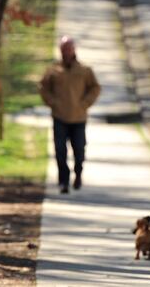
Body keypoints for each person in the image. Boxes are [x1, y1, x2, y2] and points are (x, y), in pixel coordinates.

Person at [39, 36, 101, 194]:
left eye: (69, 48)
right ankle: (63, 181)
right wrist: (52, 102)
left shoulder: (84, 70)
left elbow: (95, 88)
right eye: (63, 49)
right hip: (59, 117)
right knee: (60, 151)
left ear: (74, 50)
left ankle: (78, 173)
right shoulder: (53, 70)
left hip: (78, 118)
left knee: (79, 149)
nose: (66, 52)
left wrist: (85, 103)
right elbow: (43, 88)